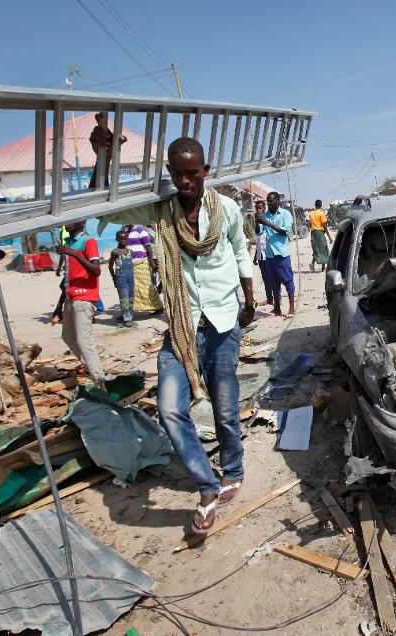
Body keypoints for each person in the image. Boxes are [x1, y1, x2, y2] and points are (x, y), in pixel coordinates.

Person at [96, 135, 255, 534]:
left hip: (221, 321)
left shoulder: (228, 209)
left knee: (224, 407)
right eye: (178, 174)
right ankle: (207, 485)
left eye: (192, 173)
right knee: (169, 409)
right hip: (181, 327)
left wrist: (250, 299)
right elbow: (108, 202)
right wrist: (105, 156)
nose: (185, 181)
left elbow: (239, 252)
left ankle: (232, 468)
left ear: (205, 171)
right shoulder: (159, 210)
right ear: (169, 172)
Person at [55, 220, 106, 388]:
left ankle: (100, 379)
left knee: (84, 339)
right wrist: (59, 305)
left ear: (82, 222)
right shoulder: (68, 242)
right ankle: (92, 368)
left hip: (84, 297)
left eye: (71, 221)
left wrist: (75, 254)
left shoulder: (88, 241)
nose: (67, 224)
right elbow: (67, 279)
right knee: (67, 336)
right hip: (71, 297)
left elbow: (96, 270)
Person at [258, 191, 296, 316]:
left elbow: (285, 232)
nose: (269, 204)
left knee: (287, 280)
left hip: (281, 254)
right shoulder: (266, 215)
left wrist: (267, 223)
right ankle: (277, 308)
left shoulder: (286, 214)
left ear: (278, 201)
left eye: (271, 202)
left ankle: (291, 308)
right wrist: (257, 222)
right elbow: (259, 232)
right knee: (273, 283)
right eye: (268, 202)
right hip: (269, 255)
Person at [123, 223, 163, 314]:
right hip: (131, 263)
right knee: (135, 287)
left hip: (141, 261)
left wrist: (152, 262)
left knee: (146, 285)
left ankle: (158, 306)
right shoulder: (125, 232)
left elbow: (148, 246)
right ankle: (153, 306)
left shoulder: (140, 229)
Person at [108, 230, 136, 327]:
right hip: (121, 277)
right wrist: (114, 278)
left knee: (131, 297)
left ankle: (128, 315)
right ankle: (127, 319)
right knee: (124, 298)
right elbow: (110, 266)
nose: (123, 241)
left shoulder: (130, 252)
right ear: (117, 239)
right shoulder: (115, 252)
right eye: (121, 239)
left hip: (131, 277)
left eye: (125, 239)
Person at [308, 199, 333, 272]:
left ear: (315, 205)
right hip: (319, 233)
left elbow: (310, 225)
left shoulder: (311, 214)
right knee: (324, 249)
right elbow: (324, 226)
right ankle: (323, 268)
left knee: (316, 249)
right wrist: (329, 237)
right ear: (321, 205)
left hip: (313, 233)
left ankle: (312, 263)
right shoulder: (321, 214)